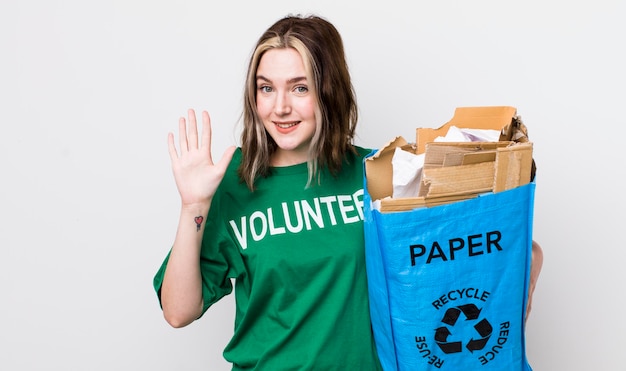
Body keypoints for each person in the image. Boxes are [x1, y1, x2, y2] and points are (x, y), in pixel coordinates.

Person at [153, 13, 543, 370]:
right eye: (266, 88)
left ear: (329, 90)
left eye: (300, 88)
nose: (280, 107)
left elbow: (481, 242)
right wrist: (194, 205)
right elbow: (178, 310)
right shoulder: (236, 185)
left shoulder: (383, 171)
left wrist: (510, 287)